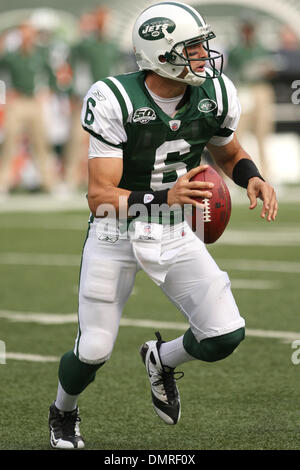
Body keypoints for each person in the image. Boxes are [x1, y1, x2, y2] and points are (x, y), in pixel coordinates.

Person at [48, 2, 278, 449]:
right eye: (191, 47)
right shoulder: (114, 97)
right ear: (161, 54)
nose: (203, 56)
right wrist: (162, 196)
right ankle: (63, 411)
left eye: (201, 46)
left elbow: (228, 152)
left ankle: (161, 358)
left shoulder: (216, 92)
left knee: (225, 335)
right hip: (116, 230)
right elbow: (99, 197)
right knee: (93, 349)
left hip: (173, 229)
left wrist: (253, 177)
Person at [0, 22, 57, 196]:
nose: (27, 37)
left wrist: (48, 91)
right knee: (10, 143)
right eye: (24, 33)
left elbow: (51, 75)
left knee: (41, 143)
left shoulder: (40, 54)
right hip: (17, 102)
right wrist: (5, 94)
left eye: (29, 33)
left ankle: (49, 183)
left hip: (34, 101)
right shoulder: (11, 55)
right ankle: (3, 183)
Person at [226, 17, 276, 180]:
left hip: (261, 89)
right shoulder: (235, 50)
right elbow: (230, 72)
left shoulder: (262, 48)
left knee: (263, 133)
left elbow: (271, 69)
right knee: (237, 132)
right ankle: (233, 175)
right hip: (243, 89)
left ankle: (266, 174)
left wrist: (267, 70)